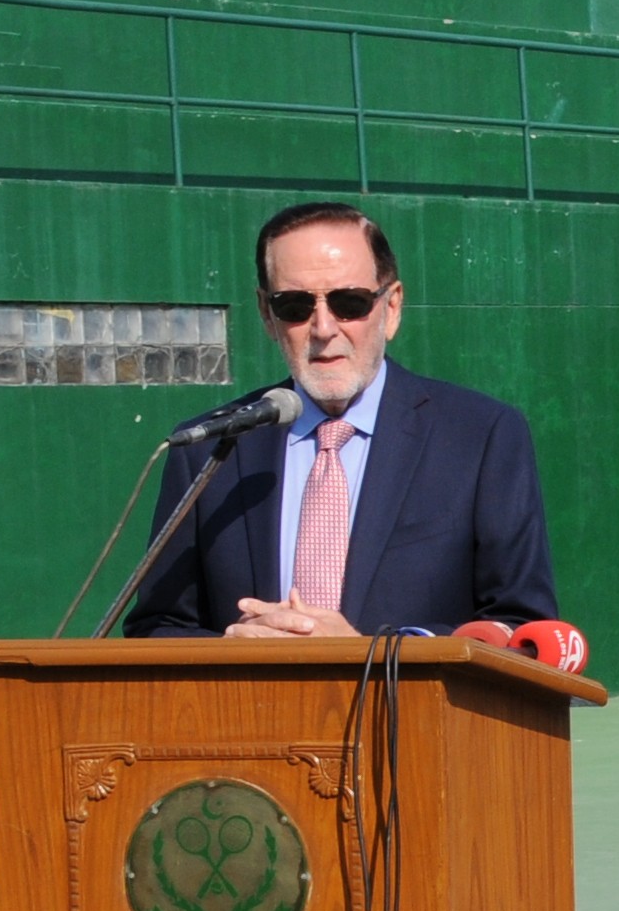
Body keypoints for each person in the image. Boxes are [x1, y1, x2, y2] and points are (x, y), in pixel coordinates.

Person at [125, 202, 555, 639]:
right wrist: (231, 650)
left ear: (391, 307)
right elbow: (157, 627)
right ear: (266, 315)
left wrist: (368, 653)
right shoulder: (208, 448)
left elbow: (520, 630)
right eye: (294, 305)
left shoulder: (481, 436)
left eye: (350, 302)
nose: (323, 327)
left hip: (406, 707)